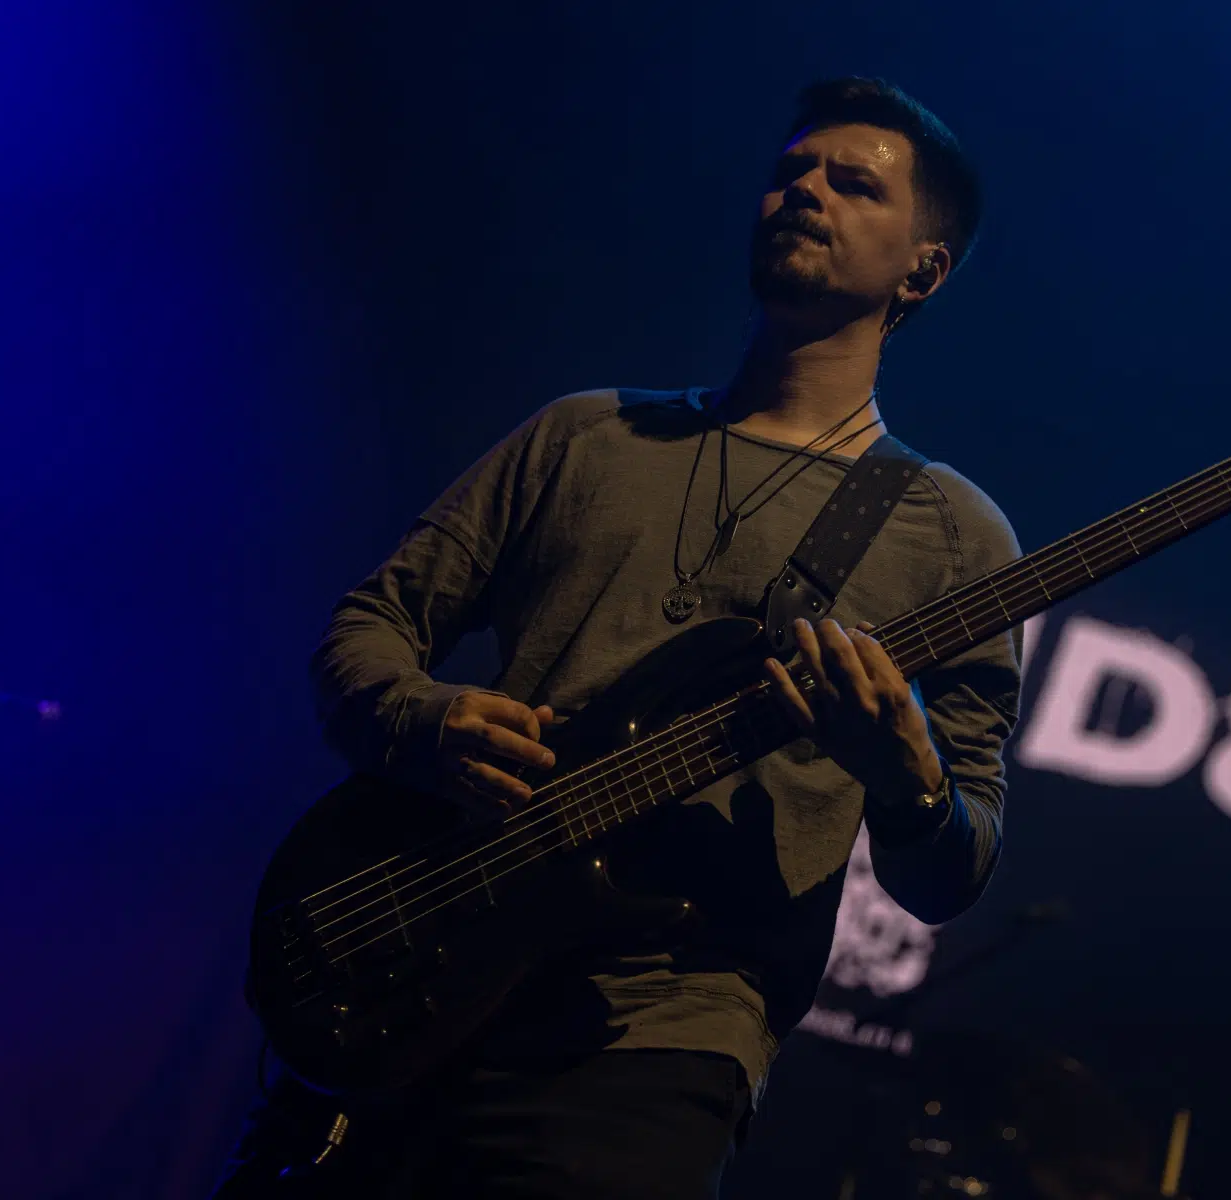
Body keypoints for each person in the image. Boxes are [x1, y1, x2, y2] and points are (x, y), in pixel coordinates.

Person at [211, 75, 1022, 1199]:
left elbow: (954, 869)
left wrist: (908, 773)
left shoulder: (954, 534)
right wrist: (426, 722)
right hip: (418, 962)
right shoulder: (586, 434)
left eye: (854, 184)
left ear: (922, 271)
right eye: (792, 169)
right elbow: (369, 626)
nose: (804, 192)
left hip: (655, 1039)